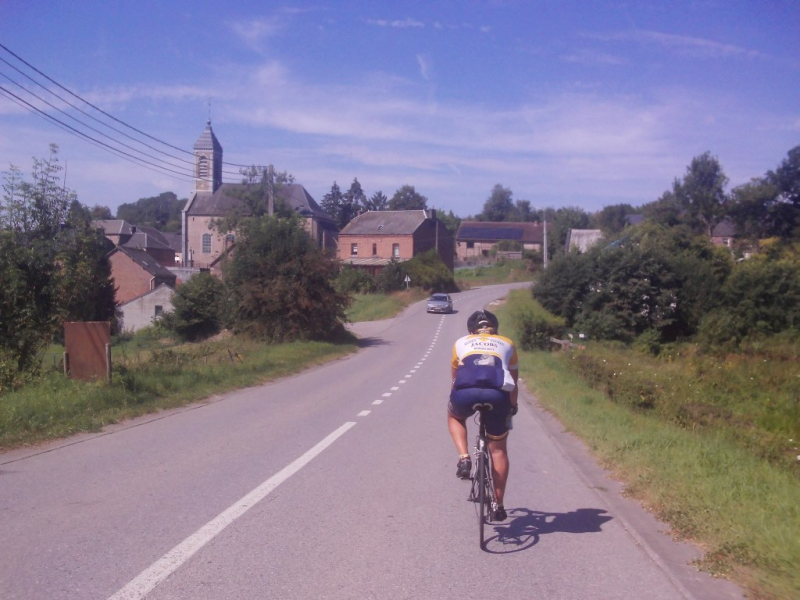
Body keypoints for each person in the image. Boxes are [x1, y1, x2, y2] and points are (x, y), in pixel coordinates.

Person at [448, 309, 519, 522]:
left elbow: (455, 379)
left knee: (454, 416)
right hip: (497, 396)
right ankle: (498, 505)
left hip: (466, 393)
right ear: (496, 329)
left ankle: (464, 458)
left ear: (471, 331)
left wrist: (457, 401)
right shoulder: (507, 343)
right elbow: (513, 381)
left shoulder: (461, 343)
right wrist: (512, 406)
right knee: (498, 450)